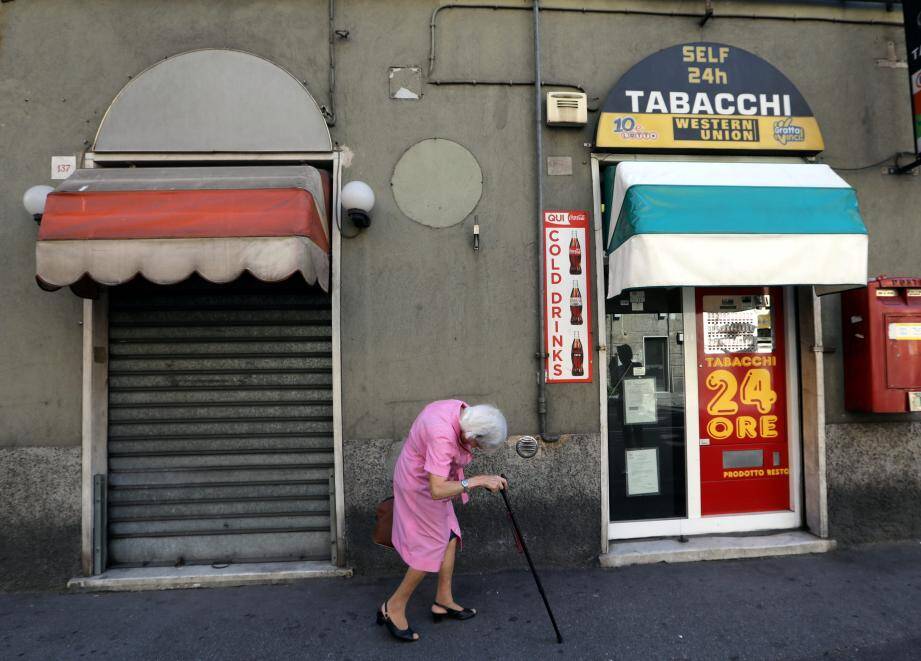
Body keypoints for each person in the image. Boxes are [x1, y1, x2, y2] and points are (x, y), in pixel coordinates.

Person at [376, 400, 509, 642]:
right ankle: (392, 607)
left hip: (433, 478)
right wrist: (478, 480)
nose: (476, 449)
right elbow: (437, 490)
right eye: (478, 444)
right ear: (472, 434)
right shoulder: (442, 436)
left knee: (448, 535)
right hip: (419, 486)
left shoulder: (462, 411)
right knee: (430, 548)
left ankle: (443, 601)